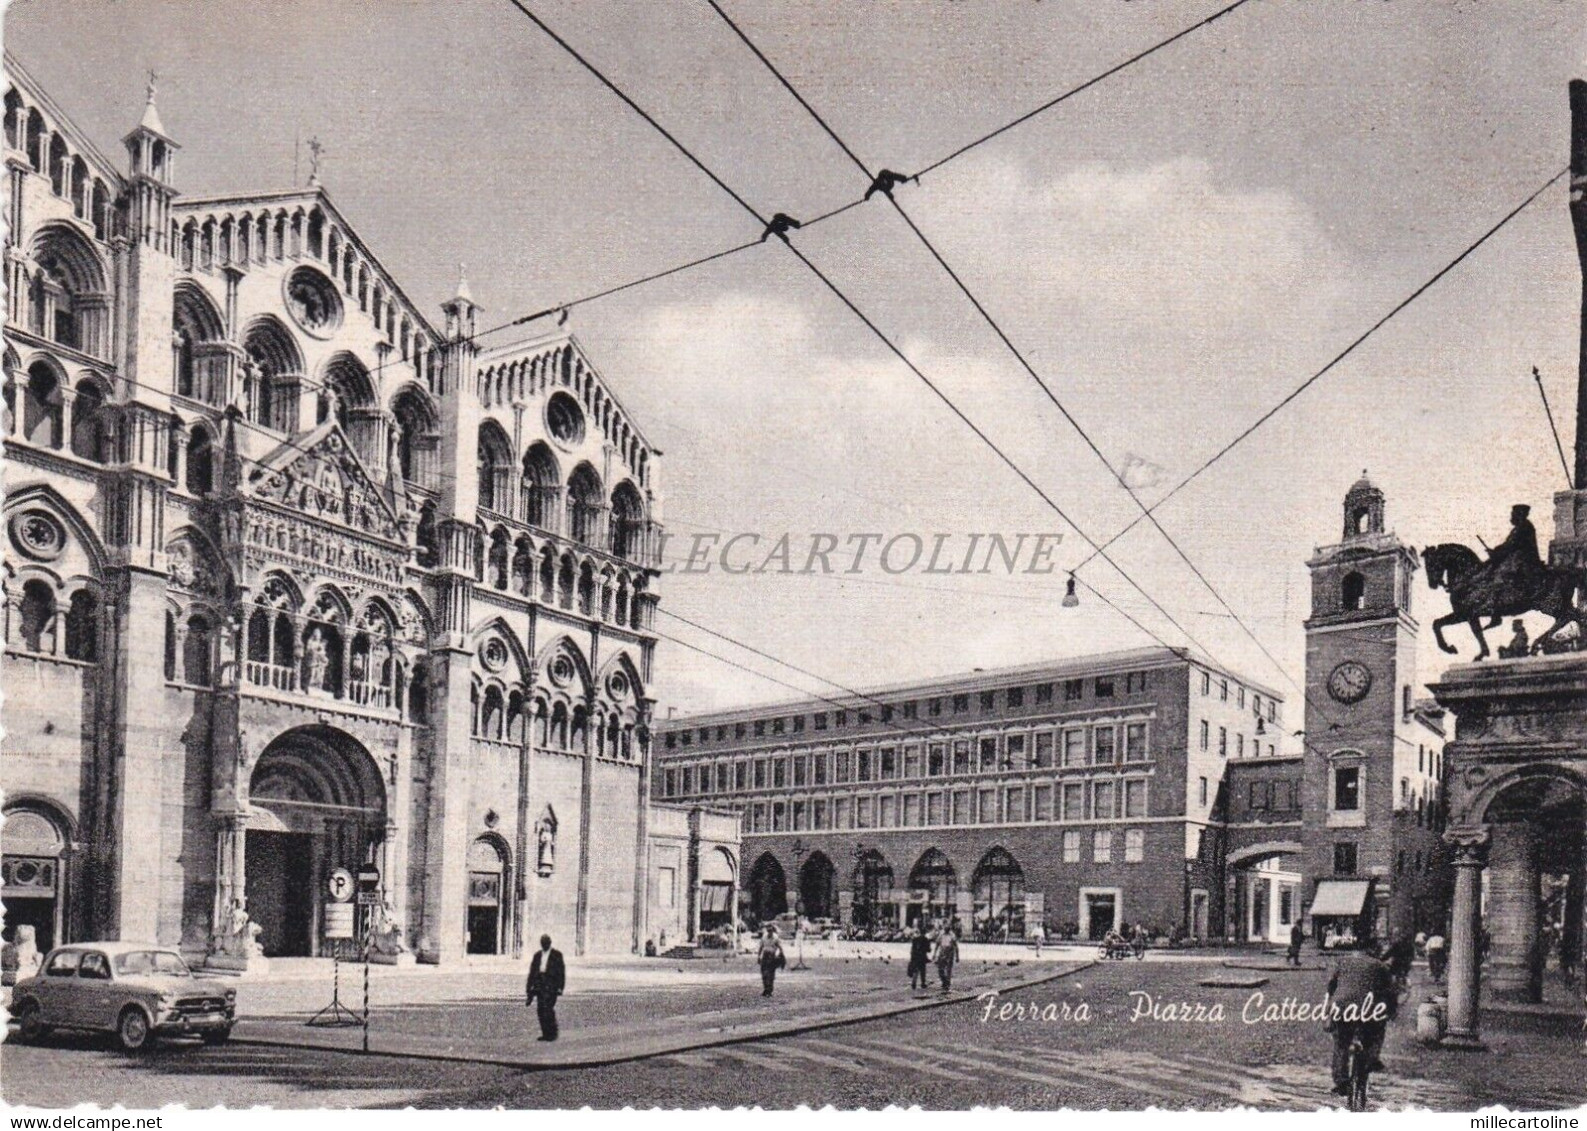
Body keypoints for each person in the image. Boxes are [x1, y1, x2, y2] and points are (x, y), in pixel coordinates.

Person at [1326, 943, 1397, 1097]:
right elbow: (1390, 992)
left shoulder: (1342, 962)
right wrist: (1391, 1011)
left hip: (1342, 1008)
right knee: (1376, 1032)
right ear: (1375, 953)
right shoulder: (1380, 966)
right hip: (1368, 1010)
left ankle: (1341, 1081)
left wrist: (1331, 1004)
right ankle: (1372, 1058)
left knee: (1341, 1044)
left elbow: (1331, 986)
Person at [525, 933, 566, 1041]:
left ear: (550, 943)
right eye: (542, 943)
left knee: (548, 1009)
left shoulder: (557, 955)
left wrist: (560, 987)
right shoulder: (537, 955)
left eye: (546, 943)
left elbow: (561, 972)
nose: (544, 945)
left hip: (551, 984)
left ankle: (552, 1033)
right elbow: (532, 972)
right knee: (540, 1010)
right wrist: (529, 988)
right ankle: (545, 1033)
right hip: (540, 984)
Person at [757, 926, 785, 997]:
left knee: (770, 974)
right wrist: (758, 956)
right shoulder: (764, 937)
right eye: (768, 931)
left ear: (773, 931)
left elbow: (780, 947)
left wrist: (781, 955)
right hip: (765, 955)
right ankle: (765, 989)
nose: (770, 932)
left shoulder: (775, 938)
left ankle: (769, 990)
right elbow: (761, 947)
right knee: (764, 973)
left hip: (772, 956)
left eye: (771, 931)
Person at [932, 923, 959, 993]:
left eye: (948, 928)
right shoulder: (941, 934)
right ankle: (944, 981)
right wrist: (934, 954)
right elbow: (937, 944)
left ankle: (947, 984)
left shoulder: (952, 935)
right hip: (942, 953)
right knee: (940, 969)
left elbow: (956, 946)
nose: (946, 929)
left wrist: (957, 956)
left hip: (950, 954)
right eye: (945, 928)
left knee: (948, 970)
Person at [908, 923, 931, 991]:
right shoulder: (926, 939)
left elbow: (912, 949)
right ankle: (923, 983)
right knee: (922, 970)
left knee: (916, 970)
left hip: (915, 956)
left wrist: (912, 957)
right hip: (922, 957)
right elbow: (928, 949)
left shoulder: (915, 939)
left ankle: (914, 983)